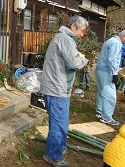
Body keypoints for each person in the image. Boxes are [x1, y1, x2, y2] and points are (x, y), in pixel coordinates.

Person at [40, 15, 89, 167]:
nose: (82, 35)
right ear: (73, 26)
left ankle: (59, 148)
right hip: (57, 88)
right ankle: (53, 155)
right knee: (58, 123)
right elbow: (75, 62)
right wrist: (84, 60)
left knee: (62, 122)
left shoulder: (64, 38)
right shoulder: (65, 39)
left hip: (60, 88)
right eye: (82, 31)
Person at [96, 30, 125, 126]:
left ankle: (99, 112)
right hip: (107, 71)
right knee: (110, 95)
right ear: (124, 36)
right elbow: (112, 59)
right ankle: (107, 117)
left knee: (101, 92)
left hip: (101, 69)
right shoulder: (116, 43)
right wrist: (114, 74)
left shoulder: (110, 40)